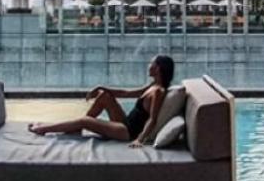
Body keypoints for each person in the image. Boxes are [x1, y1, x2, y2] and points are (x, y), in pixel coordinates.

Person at [29, 55, 174, 146]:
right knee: (105, 95)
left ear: (158, 68)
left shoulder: (158, 92)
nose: (148, 65)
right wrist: (101, 87)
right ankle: (76, 128)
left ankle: (44, 129)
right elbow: (126, 93)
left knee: (85, 120)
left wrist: (140, 140)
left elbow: (153, 119)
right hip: (125, 123)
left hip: (128, 132)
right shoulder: (152, 86)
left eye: (151, 63)